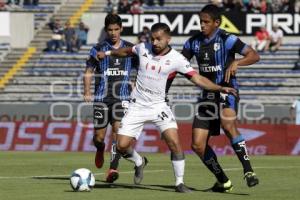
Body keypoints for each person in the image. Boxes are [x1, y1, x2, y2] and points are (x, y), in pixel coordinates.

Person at [97, 22, 236, 193]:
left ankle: (179, 183)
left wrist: (220, 88)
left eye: (159, 39)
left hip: (159, 106)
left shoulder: (177, 59)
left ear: (168, 39)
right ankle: (140, 161)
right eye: (153, 39)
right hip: (137, 106)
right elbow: (125, 51)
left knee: (174, 143)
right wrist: (109, 53)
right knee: (121, 146)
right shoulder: (142, 48)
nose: (154, 43)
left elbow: (197, 79)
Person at [181, 4, 260, 192]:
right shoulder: (192, 42)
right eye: (200, 21)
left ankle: (248, 171)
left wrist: (237, 62)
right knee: (197, 145)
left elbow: (254, 55)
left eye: (206, 22)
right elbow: (180, 64)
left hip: (227, 91)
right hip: (207, 96)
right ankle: (223, 181)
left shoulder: (227, 39)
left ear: (216, 23)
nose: (202, 25)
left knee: (228, 124)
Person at [84, 13, 137, 183]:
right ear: (106, 30)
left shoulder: (130, 49)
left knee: (117, 133)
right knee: (99, 138)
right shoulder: (97, 49)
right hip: (101, 98)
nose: (113, 33)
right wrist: (87, 91)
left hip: (122, 98)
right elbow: (89, 71)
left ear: (121, 29)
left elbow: (141, 69)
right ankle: (100, 149)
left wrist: (135, 84)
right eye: (110, 30)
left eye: (116, 29)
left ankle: (112, 168)